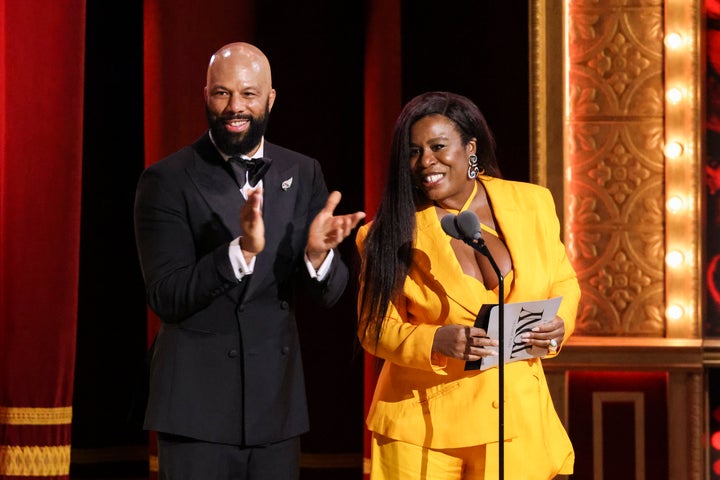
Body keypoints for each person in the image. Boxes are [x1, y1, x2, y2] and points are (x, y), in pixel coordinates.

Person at [133, 42, 365, 479]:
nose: (234, 107)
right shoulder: (165, 180)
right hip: (194, 410)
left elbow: (330, 295)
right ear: (205, 95)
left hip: (274, 410)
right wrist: (239, 252)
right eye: (222, 93)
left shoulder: (303, 172)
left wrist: (319, 256)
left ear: (270, 99)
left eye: (248, 94)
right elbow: (166, 296)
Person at [356, 91, 580, 479]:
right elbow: (374, 329)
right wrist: (435, 340)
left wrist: (558, 324)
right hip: (422, 429)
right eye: (413, 152)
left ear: (470, 148)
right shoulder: (388, 232)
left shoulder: (533, 204)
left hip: (514, 421)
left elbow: (564, 282)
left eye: (438, 146)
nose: (426, 161)